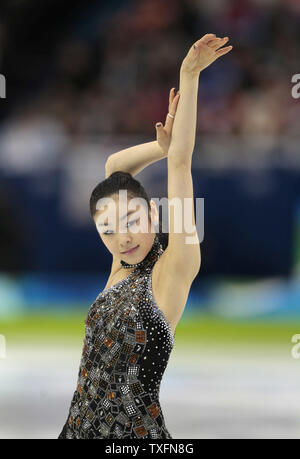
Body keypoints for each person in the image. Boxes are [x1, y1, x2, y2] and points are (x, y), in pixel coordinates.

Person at [58, 33, 232, 439]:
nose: (123, 237)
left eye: (133, 220)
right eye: (110, 229)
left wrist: (188, 76)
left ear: (154, 212)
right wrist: (158, 145)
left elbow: (181, 163)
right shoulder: (120, 264)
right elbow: (113, 166)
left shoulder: (173, 268)